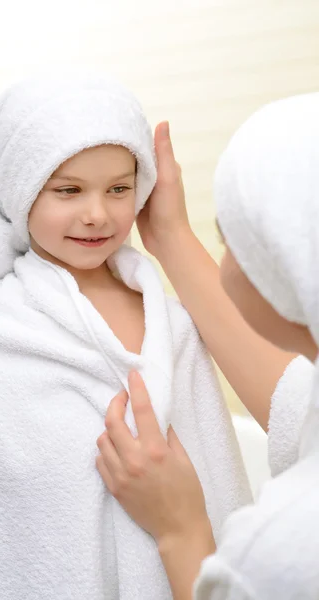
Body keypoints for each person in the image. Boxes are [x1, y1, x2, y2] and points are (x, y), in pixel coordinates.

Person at [0, 72, 254, 600]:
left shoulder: (177, 324)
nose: (97, 214)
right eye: (68, 190)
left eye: (119, 189)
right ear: (21, 190)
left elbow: (216, 476)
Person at [97, 92, 319, 599]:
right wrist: (171, 236)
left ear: (288, 266)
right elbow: (297, 404)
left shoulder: (279, 552)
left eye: (229, 238)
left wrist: (181, 529)